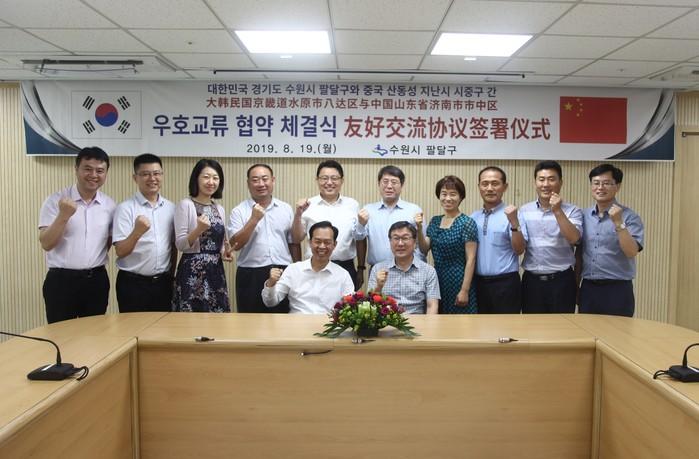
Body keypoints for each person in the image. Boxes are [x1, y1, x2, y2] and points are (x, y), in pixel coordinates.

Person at [38, 146, 115, 323]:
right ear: (76, 169)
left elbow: (108, 242)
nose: (93, 175)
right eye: (87, 169)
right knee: (61, 334)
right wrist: (63, 215)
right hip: (61, 281)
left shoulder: (110, 205)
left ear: (106, 173)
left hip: (96, 281)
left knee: (94, 333)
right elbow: (46, 243)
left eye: (100, 171)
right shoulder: (55, 200)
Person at [228, 164, 299, 313]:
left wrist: (297, 269)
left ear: (273, 180)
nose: (261, 184)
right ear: (248, 183)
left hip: (282, 271)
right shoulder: (239, 211)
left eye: (265, 179)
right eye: (255, 180)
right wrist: (254, 219)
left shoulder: (285, 208)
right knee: (250, 320)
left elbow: (293, 242)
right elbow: (235, 244)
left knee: (282, 319)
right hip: (250, 273)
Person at [578, 164, 644, 317]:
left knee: (618, 331)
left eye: (606, 183)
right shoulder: (584, 215)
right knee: (587, 330)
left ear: (617, 186)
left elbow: (631, 251)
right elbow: (579, 253)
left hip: (618, 288)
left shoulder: (630, 217)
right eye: (596, 183)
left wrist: (618, 223)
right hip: (588, 287)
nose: (600, 187)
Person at [112, 154, 175, 313]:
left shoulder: (171, 208)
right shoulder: (125, 208)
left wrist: (171, 276)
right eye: (145, 174)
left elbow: (173, 247)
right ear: (135, 178)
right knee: (133, 326)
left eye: (156, 173)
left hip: (163, 283)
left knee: (163, 327)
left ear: (162, 175)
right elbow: (120, 251)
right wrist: (137, 232)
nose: (152, 178)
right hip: (133, 284)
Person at [520, 160, 582, 314]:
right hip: (532, 282)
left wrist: (558, 211)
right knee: (531, 326)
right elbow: (520, 246)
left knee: (563, 325)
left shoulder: (573, 211)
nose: (546, 184)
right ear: (535, 182)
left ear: (560, 183)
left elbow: (574, 239)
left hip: (562, 281)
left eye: (551, 179)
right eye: (541, 179)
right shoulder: (524, 210)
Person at [292, 160, 366, 289]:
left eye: (334, 178)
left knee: (346, 302)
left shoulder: (352, 205)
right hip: (315, 267)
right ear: (317, 180)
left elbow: (359, 238)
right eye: (324, 178)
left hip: (346, 266)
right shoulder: (308, 205)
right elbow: (297, 238)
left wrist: (360, 268)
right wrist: (298, 214)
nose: (329, 182)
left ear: (342, 181)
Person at [172, 159, 232, 313]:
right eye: (206, 177)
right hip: (192, 271)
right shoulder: (185, 205)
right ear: (196, 179)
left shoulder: (219, 208)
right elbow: (180, 245)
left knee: (217, 316)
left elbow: (218, 244)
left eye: (215, 178)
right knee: (192, 317)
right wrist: (198, 230)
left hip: (216, 271)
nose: (211, 182)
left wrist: (225, 252)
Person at [416, 175, 478, 314]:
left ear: (461, 197)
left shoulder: (467, 222)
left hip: (459, 280)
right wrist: (419, 229)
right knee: (437, 318)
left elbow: (471, 259)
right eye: (444, 194)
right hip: (436, 279)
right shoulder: (435, 221)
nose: (448, 198)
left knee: (461, 321)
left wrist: (464, 290)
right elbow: (424, 249)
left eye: (453, 194)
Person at [262, 221, 354, 314]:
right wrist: (271, 283)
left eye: (327, 242)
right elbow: (270, 302)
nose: (322, 246)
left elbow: (350, 307)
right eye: (318, 241)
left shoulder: (343, 275)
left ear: (334, 244)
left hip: (327, 322)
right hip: (297, 321)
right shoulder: (293, 270)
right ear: (310, 242)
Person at [470, 166, 526, 314]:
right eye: (485, 184)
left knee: (506, 326)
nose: (489, 188)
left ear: (505, 187)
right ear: (479, 187)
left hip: (506, 284)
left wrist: (514, 222)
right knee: (478, 326)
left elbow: (519, 249)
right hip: (478, 284)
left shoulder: (514, 215)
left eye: (495, 183)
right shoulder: (473, 217)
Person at [359, 165, 425, 270]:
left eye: (394, 182)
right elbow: (358, 238)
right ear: (379, 184)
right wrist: (361, 224)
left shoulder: (414, 210)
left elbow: (422, 247)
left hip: (409, 270)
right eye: (385, 182)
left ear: (402, 185)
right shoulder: (368, 210)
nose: (389, 186)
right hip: (378, 270)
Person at [368, 221, 439, 314]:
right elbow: (370, 306)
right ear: (390, 242)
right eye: (396, 238)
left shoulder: (428, 271)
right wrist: (378, 287)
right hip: (388, 320)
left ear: (415, 242)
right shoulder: (378, 269)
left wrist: (429, 324)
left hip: (418, 321)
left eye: (405, 238)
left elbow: (432, 306)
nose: (400, 243)